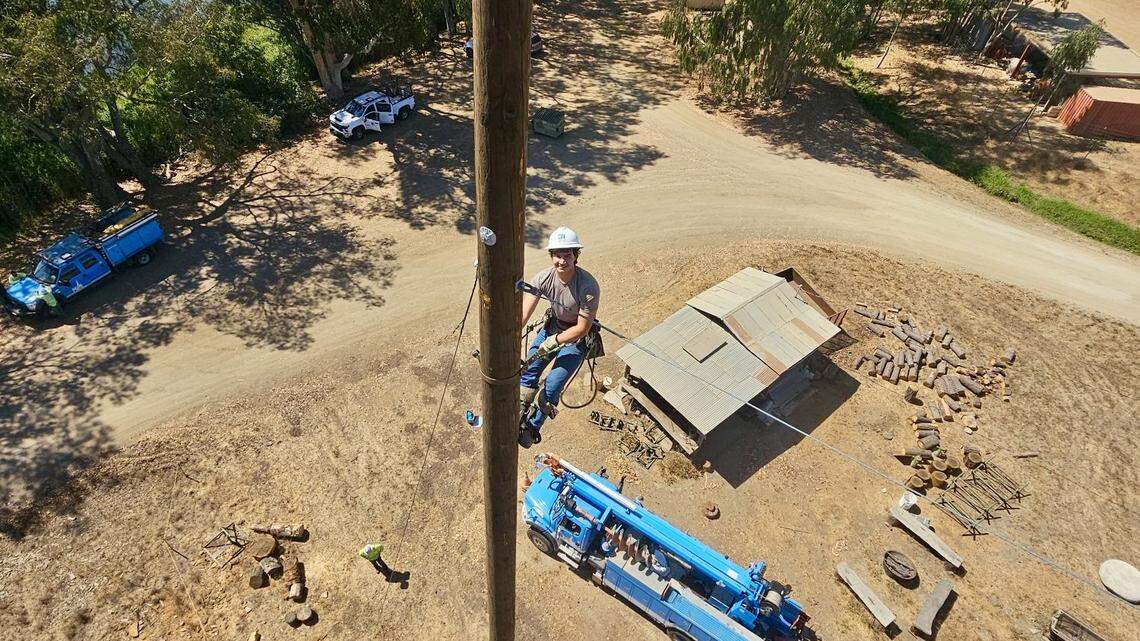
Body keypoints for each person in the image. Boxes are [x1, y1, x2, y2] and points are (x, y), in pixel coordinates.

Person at [518, 226, 601, 446]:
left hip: (576, 339)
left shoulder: (588, 286)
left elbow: (582, 328)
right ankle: (519, 409)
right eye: (557, 255)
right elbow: (524, 314)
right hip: (553, 327)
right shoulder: (544, 278)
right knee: (529, 370)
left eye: (567, 255)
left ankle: (532, 426)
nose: (562, 261)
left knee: (552, 386)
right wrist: (512, 336)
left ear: (575, 256)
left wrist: (554, 341)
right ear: (551, 256)